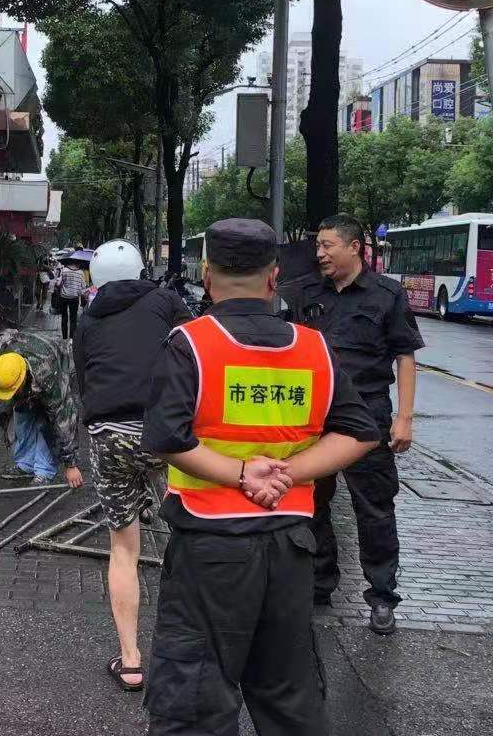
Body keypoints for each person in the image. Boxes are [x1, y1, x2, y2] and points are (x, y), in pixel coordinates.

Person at [142, 218, 380, 736]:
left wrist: (241, 474)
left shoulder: (191, 344)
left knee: (197, 698)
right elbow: (361, 432)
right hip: (291, 547)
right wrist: (288, 474)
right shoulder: (314, 348)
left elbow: (165, 437)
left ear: (207, 275)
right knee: (289, 697)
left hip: (210, 550)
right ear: (274, 277)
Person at [289, 213, 423, 635]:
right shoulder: (308, 292)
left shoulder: (387, 294)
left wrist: (404, 418)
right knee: (312, 501)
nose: (320, 253)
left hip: (367, 416)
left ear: (354, 247)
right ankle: (319, 582)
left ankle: (382, 596)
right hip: (316, 416)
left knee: (374, 507)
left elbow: (405, 356)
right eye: (318, 246)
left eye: (327, 245)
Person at [72, 239, 191, 692]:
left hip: (109, 436)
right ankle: (193, 647)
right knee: (188, 532)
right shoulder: (166, 301)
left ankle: (130, 661)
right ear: (141, 269)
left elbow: (84, 381)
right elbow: (196, 353)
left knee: (123, 547)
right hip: (165, 433)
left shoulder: (87, 318)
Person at [0, 327, 84, 490]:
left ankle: (44, 471)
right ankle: (25, 465)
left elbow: (64, 419)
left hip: (61, 364)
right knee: (22, 417)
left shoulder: (47, 375)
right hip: (32, 366)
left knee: (46, 423)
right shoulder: (3, 356)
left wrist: (71, 464)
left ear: (22, 378)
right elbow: (5, 334)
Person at [56, 260, 89, 340]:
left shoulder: (64, 270)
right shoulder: (81, 272)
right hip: (74, 298)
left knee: (64, 316)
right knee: (73, 318)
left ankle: (64, 337)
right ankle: (71, 338)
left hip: (64, 297)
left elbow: (58, 284)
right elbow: (83, 287)